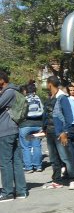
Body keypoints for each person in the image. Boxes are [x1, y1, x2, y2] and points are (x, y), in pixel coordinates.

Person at [41, 76, 74, 190]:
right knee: (53, 158)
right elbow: (46, 115)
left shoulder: (62, 98)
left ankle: (73, 179)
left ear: (50, 84)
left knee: (66, 157)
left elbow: (69, 116)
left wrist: (64, 131)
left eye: (46, 83)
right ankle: (57, 180)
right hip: (50, 132)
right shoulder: (50, 97)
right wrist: (44, 128)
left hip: (60, 133)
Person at [0, 71, 28, 201]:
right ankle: (21, 191)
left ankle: (8, 193)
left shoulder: (8, 92)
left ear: (2, 80)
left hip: (5, 131)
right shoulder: (11, 91)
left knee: (5, 162)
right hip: (13, 130)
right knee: (16, 161)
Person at [20, 82, 44, 173]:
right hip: (38, 125)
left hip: (25, 125)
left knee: (26, 147)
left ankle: (29, 167)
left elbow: (20, 113)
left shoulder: (24, 99)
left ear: (26, 91)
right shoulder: (38, 99)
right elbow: (43, 111)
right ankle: (38, 166)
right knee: (37, 145)